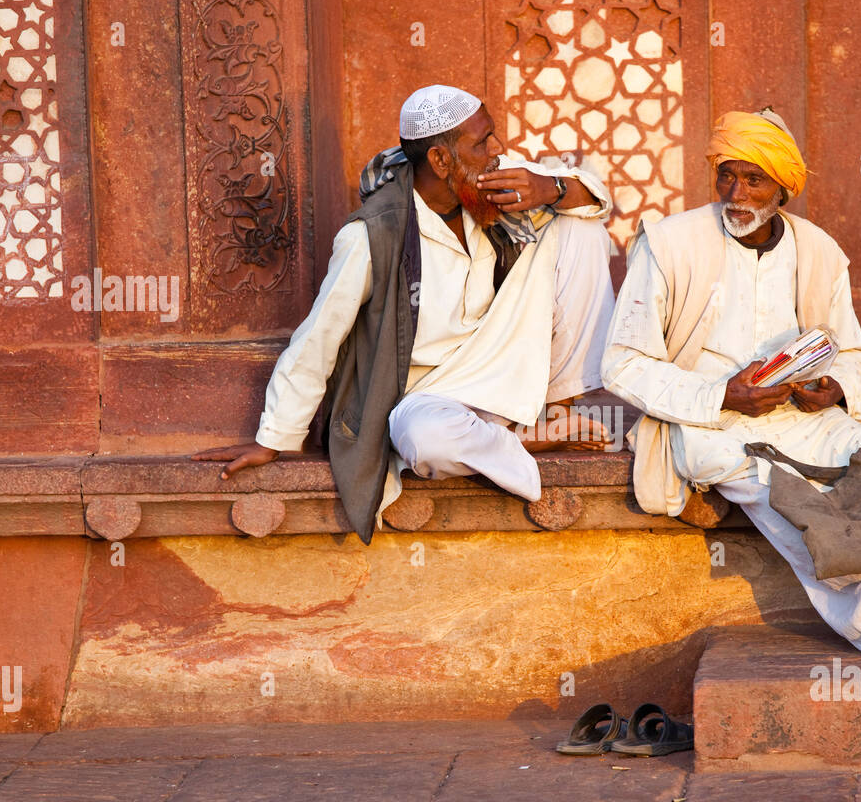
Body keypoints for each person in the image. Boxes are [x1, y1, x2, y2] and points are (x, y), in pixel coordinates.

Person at [602, 109, 861, 662]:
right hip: (709, 418)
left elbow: (854, 350)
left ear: (784, 188)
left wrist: (834, 387)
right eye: (726, 175)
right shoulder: (668, 244)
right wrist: (721, 395)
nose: (736, 192)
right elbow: (621, 362)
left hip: (803, 416)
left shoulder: (819, 251)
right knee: (789, 497)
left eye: (754, 179)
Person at [194, 85, 616, 543]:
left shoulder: (488, 185)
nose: (496, 153)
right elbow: (319, 337)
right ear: (440, 161)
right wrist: (273, 438)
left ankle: (557, 406)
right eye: (482, 143)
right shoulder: (370, 236)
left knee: (580, 224)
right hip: (428, 393)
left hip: (501, 359)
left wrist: (550, 188)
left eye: (492, 137)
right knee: (425, 440)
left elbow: (595, 198)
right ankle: (523, 439)